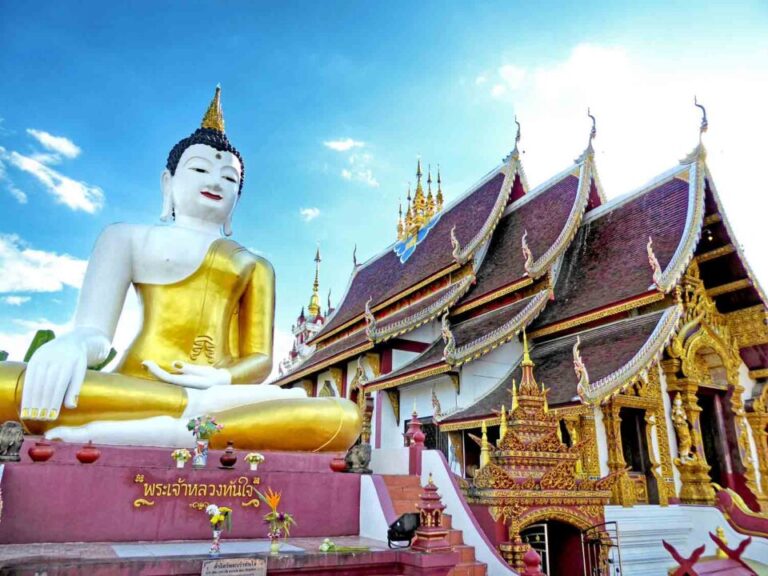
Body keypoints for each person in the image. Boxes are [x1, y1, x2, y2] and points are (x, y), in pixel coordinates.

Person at [0, 87, 361, 451]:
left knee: (343, 417)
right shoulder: (125, 238)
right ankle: (195, 421)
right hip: (136, 387)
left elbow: (260, 360)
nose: (215, 181)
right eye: (200, 168)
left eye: (229, 178)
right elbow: (95, 332)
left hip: (217, 393)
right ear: (168, 183)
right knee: (8, 384)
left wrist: (221, 378)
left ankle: (168, 430)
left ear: (237, 199)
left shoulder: (253, 265)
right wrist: (74, 344)